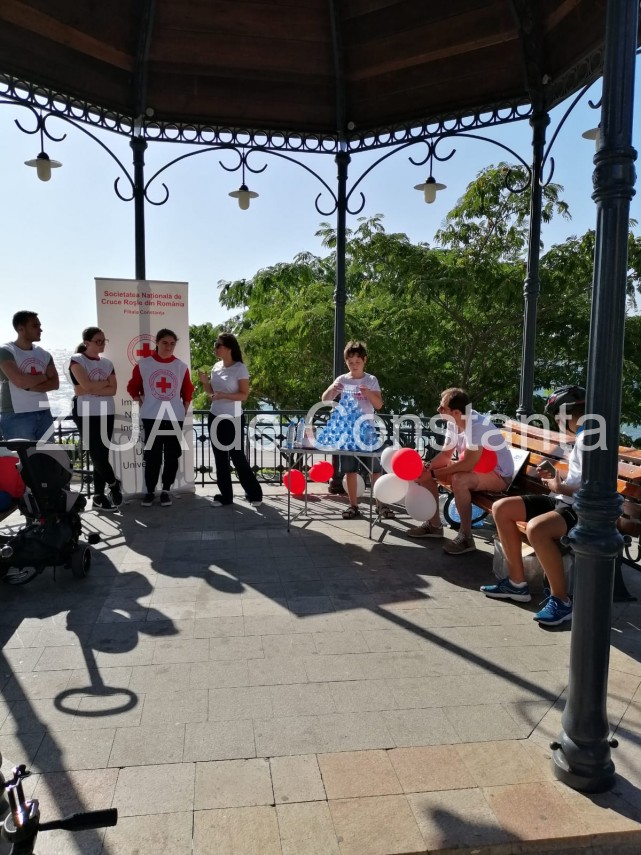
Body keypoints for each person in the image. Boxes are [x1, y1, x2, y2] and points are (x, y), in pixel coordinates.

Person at [480, 385, 586, 626]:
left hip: (580, 509)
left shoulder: (590, 439)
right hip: (563, 499)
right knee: (502, 508)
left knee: (537, 529)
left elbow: (591, 487)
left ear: (565, 414)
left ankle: (561, 600)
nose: (556, 422)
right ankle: (517, 583)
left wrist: (559, 486)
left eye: (556, 416)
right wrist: (556, 480)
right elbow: (578, 479)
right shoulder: (583, 436)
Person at [408, 387, 514, 554]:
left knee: (459, 479)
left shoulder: (477, 426)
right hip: (475, 468)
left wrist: (434, 473)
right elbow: (446, 455)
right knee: (425, 473)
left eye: (442, 408)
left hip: (499, 475)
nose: (438, 409)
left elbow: (467, 465)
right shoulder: (453, 422)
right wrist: (428, 467)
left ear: (456, 412)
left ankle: (466, 537)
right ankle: (434, 525)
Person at [321, 340, 389, 520]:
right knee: (350, 469)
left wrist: (368, 393)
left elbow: (379, 405)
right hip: (347, 432)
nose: (354, 365)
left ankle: (380, 504)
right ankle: (353, 505)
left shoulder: (371, 380)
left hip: (367, 429)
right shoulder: (342, 379)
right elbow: (325, 399)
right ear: (346, 362)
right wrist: (333, 389)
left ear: (364, 360)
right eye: (350, 362)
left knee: (374, 468)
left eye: (357, 362)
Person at [127, 328, 193, 508]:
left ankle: (165, 490)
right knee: (152, 456)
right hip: (152, 417)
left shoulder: (181, 366)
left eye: (172, 343)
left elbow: (187, 391)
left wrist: (183, 409)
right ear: (157, 343)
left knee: (172, 456)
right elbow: (133, 387)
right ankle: (150, 491)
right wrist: (141, 403)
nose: (168, 347)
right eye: (165, 343)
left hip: (174, 417)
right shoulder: (144, 364)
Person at [198, 332, 263, 508]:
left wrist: (224, 395)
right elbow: (212, 394)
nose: (215, 348)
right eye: (215, 344)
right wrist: (205, 382)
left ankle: (254, 494)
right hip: (215, 416)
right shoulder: (216, 367)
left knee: (237, 456)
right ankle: (225, 497)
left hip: (233, 418)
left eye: (218, 345)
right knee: (220, 458)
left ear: (229, 348)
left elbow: (244, 395)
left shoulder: (240, 368)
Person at [69, 327, 122, 512]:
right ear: (87, 342)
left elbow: (113, 390)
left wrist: (92, 387)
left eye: (103, 341)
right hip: (86, 412)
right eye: (98, 341)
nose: (102, 344)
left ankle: (99, 497)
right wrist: (103, 383)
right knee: (96, 454)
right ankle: (114, 484)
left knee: (102, 455)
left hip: (106, 411)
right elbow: (85, 387)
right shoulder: (77, 360)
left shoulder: (107, 363)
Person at [0, 311, 59, 441]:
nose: (40, 330)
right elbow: (20, 381)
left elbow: (55, 383)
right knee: (22, 454)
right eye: (35, 326)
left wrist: (29, 385)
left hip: (44, 413)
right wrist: (44, 377)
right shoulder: (5, 351)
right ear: (21, 329)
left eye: (39, 326)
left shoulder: (44, 354)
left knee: (48, 453)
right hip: (17, 415)